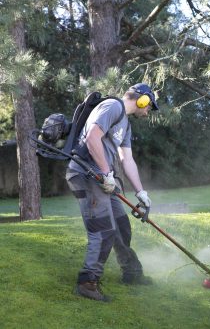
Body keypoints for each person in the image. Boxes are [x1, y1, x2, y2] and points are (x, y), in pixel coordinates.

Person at [65, 83, 159, 302]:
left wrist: (140, 192)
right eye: (149, 106)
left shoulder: (125, 125)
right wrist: (107, 173)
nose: (148, 112)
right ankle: (88, 283)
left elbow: (127, 160)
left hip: (103, 179)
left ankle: (131, 273)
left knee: (121, 225)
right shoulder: (112, 107)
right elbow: (91, 138)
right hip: (87, 175)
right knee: (103, 230)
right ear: (142, 100)